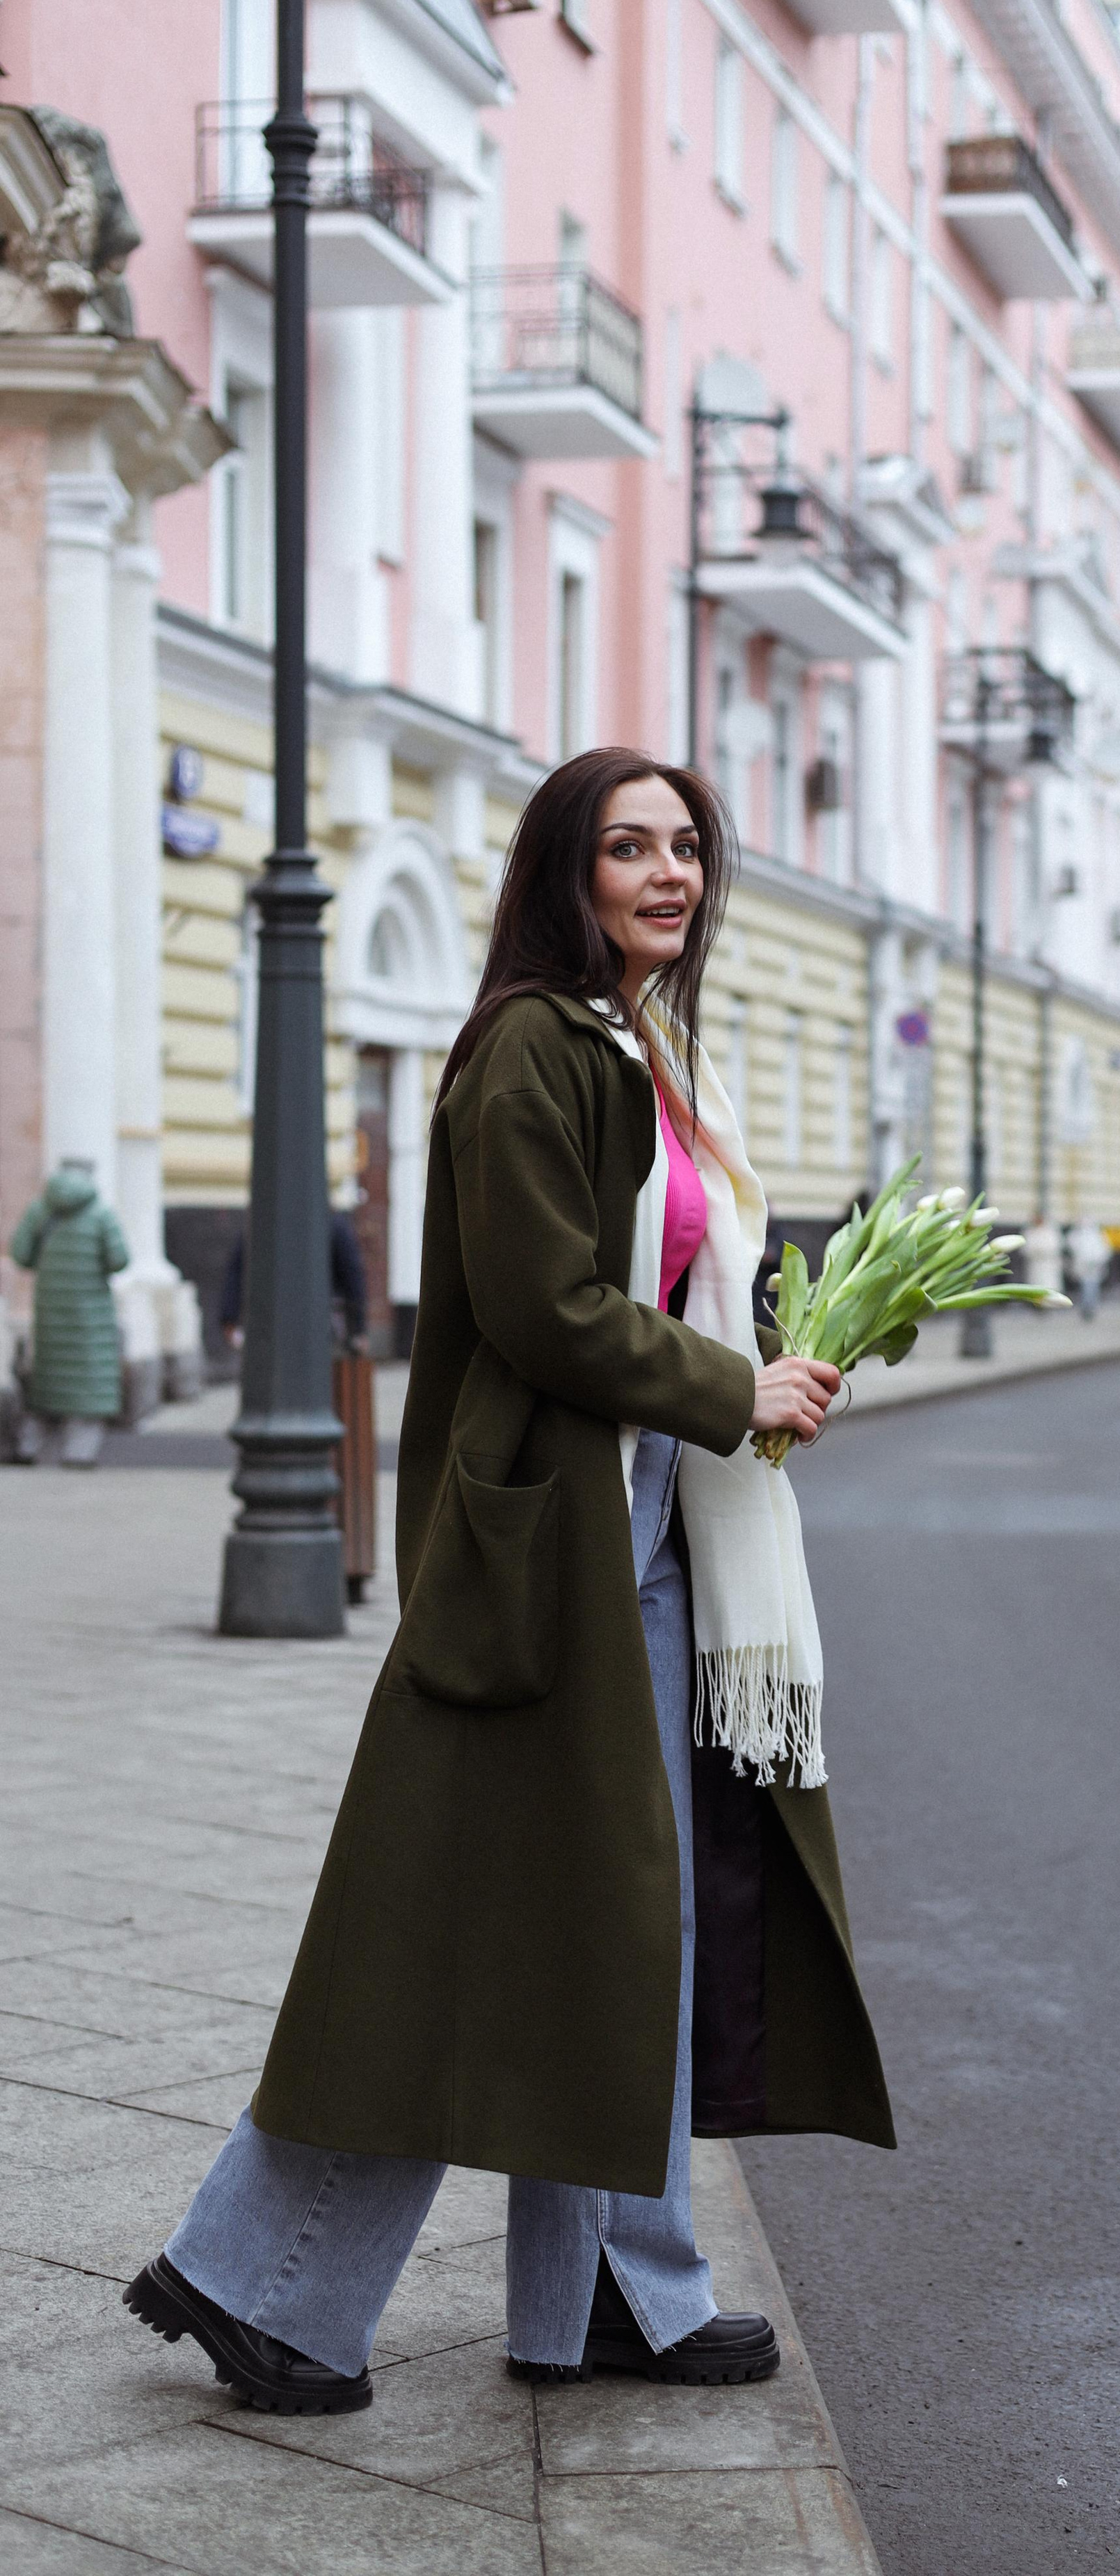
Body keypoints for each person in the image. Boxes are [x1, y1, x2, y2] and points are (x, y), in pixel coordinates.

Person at [124, 748, 893, 2414]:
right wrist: (724, 1390)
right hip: (545, 1546)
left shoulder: (649, 1047)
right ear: (565, 870)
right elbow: (545, 1301)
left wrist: (775, 1360)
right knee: (453, 1929)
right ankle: (258, 2276)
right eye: (630, 846)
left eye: (688, 846)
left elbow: (674, 1279)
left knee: (622, 1916)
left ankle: (616, 2285)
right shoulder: (531, 1049)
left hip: (647, 1527)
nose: (669, 872)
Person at [8, 1158, 130, 1466]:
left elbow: (20, 1254)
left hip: (50, 1308)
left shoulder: (41, 1210)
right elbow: (120, 1260)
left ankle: (29, 1447)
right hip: (91, 1314)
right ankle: (79, 1453)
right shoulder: (101, 1214)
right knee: (86, 1382)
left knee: (46, 1379)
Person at [219, 1212, 369, 1354]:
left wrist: (229, 1320)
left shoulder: (262, 1223)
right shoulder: (332, 1224)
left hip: (273, 1325)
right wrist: (359, 1329)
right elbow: (353, 1276)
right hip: (318, 1325)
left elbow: (237, 1271)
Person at [1066, 1217, 1110, 1320]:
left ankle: (1091, 1307)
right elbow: (1072, 1245)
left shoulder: (1097, 1235)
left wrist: (1098, 1260)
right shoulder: (1078, 1234)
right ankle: (1086, 1307)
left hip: (1095, 1266)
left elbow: (1105, 1250)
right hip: (1084, 1266)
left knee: (1093, 1287)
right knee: (1085, 1287)